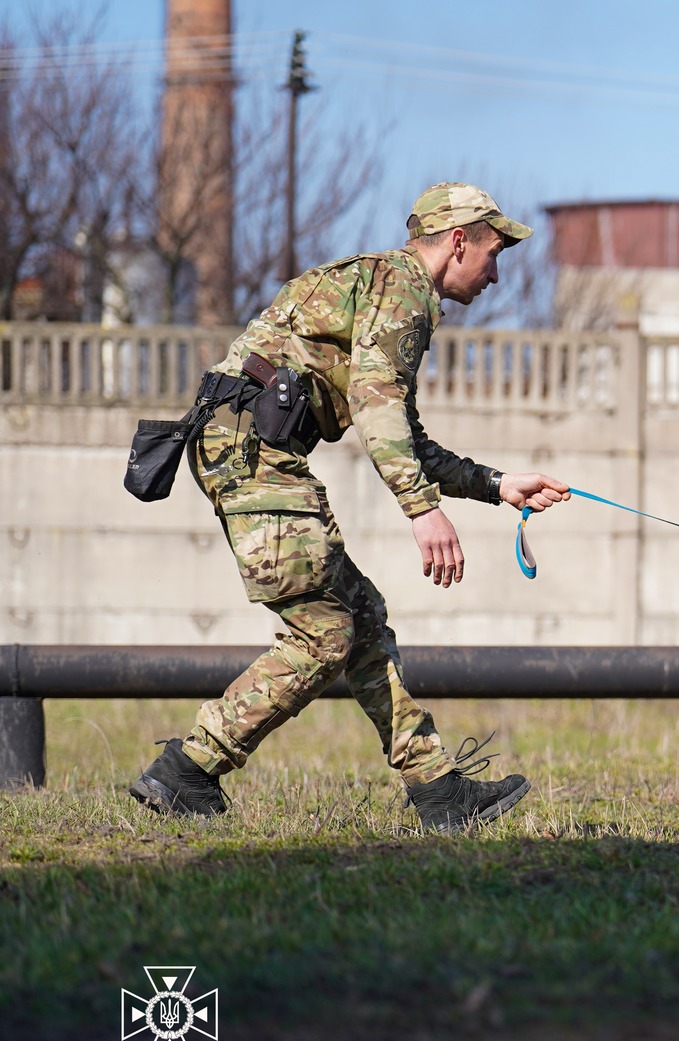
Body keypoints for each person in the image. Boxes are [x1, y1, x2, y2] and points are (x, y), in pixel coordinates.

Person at [127, 182, 569, 832]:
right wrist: (422, 510)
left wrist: (496, 484)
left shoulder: (386, 286)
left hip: (245, 449)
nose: (496, 275)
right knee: (325, 634)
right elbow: (375, 406)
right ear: (458, 242)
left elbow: (405, 435)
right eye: (493, 254)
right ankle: (186, 769)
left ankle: (437, 790)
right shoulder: (403, 291)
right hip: (251, 454)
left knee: (360, 620)